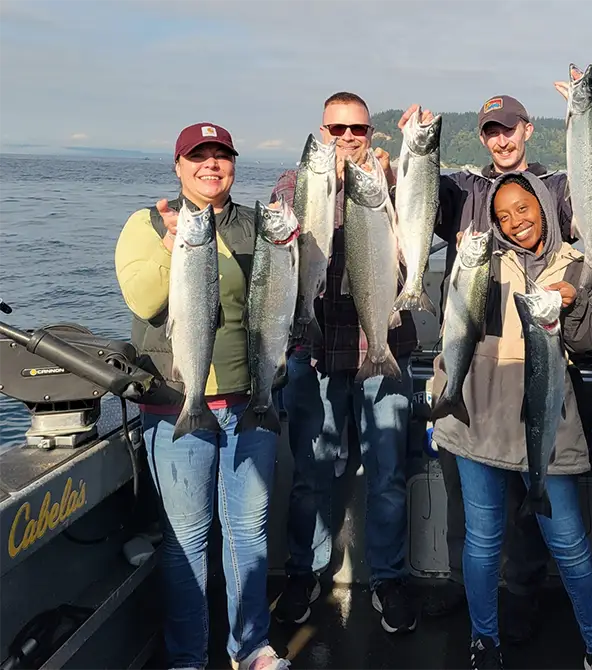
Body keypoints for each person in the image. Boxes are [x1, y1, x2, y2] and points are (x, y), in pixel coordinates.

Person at [396, 95, 584, 641]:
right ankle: (463, 583)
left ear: (528, 129)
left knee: (526, 494)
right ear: (483, 138)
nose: (501, 140)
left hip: (529, 358)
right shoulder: (462, 187)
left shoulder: (559, 187)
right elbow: (415, 203)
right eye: (491, 132)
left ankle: (521, 591)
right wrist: (411, 157)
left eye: (509, 130)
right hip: (466, 358)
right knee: (465, 493)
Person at [114, 123, 289, 670]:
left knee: (248, 532)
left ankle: (251, 646)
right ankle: (189, 657)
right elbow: (144, 300)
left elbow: (285, 288)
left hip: (249, 402)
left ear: (234, 165)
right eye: (199, 157)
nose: (211, 165)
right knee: (186, 540)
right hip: (177, 408)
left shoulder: (258, 225)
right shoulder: (146, 224)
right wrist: (175, 244)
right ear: (178, 165)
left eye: (221, 156)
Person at [430, 170, 592, 669]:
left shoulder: (580, 265)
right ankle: (482, 640)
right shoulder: (480, 265)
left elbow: (586, 347)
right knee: (484, 541)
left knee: (570, 544)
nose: (515, 222)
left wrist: (575, 308)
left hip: (546, 422)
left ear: (544, 207)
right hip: (478, 418)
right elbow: (458, 331)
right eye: (503, 215)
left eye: (524, 209)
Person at [271, 91, 419, 635]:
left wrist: (401, 169)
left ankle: (388, 578)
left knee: (388, 475)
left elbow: (428, 221)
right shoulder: (294, 186)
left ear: (371, 134)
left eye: (358, 129)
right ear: (321, 131)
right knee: (311, 473)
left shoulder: (394, 183)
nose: (348, 138)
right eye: (337, 130)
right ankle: (304, 572)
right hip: (316, 352)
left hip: (383, 350)